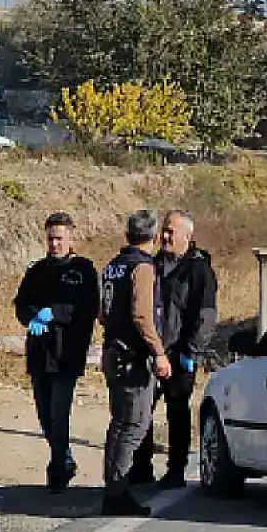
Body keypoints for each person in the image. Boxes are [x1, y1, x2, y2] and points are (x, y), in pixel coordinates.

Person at [129, 210, 217, 489]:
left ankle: (175, 470)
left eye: (171, 232)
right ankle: (141, 467)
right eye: (164, 231)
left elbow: (206, 316)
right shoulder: (153, 265)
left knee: (177, 413)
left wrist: (192, 352)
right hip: (152, 353)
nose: (165, 236)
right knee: (142, 411)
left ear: (187, 237)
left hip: (180, 355)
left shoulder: (199, 270)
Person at [13, 212, 99, 493]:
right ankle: (66, 458)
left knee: (59, 414)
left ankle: (58, 468)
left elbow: (88, 309)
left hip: (67, 354)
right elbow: (21, 304)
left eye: (60, 239)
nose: (54, 244)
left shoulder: (84, 270)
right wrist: (33, 316)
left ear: (71, 239)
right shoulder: (36, 270)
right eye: (51, 239)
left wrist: (56, 313)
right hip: (39, 353)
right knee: (44, 415)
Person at [98, 210, 171, 516]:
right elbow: (142, 315)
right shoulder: (142, 268)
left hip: (113, 351)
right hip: (133, 357)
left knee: (118, 423)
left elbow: (101, 312)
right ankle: (118, 490)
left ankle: (113, 487)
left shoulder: (112, 266)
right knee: (134, 425)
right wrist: (158, 352)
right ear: (154, 238)